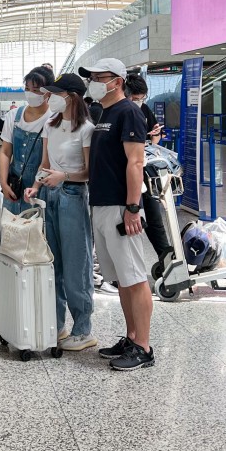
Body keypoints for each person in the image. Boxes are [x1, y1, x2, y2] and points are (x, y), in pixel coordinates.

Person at [84, 59, 155, 371]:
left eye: (100, 77)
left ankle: (144, 347)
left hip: (119, 206)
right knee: (122, 279)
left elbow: (135, 162)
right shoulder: (104, 113)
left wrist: (132, 207)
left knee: (136, 278)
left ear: (117, 81)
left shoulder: (129, 112)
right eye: (93, 77)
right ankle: (131, 336)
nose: (95, 82)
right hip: (101, 203)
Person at [23, 73, 96, 352]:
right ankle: (57, 325)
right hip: (50, 197)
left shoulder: (86, 129)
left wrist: (63, 176)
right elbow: (44, 163)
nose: (50, 98)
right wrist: (35, 186)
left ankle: (83, 329)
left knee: (77, 265)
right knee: (53, 264)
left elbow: (89, 172)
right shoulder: (51, 126)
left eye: (56, 94)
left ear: (72, 97)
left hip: (72, 197)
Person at [124, 72, 172, 262]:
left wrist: (151, 142)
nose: (138, 102)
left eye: (141, 98)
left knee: (154, 219)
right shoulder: (117, 112)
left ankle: (167, 260)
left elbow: (156, 133)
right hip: (126, 171)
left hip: (144, 170)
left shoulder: (143, 110)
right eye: (135, 98)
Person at [0, 67, 53, 215]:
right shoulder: (14, 115)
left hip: (41, 185)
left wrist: (36, 185)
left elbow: (47, 161)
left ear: (48, 92)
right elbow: (5, 151)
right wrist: (3, 182)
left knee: (36, 231)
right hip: (14, 183)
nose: (30, 94)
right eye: (27, 89)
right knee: (11, 228)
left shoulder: (53, 118)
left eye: (36, 90)